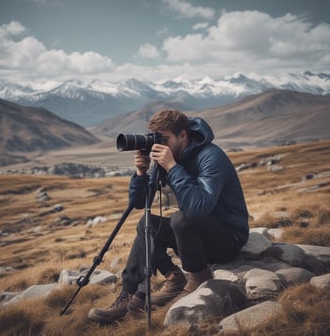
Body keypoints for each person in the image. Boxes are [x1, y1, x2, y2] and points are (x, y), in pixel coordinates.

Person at [88, 110, 249, 323]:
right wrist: (141, 173)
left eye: (164, 139)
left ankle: (198, 277)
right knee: (148, 223)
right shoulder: (167, 155)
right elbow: (139, 203)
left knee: (180, 219)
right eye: (157, 139)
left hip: (228, 239)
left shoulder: (211, 156)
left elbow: (198, 209)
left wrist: (172, 167)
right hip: (197, 235)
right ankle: (134, 292)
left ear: (183, 135)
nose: (159, 145)